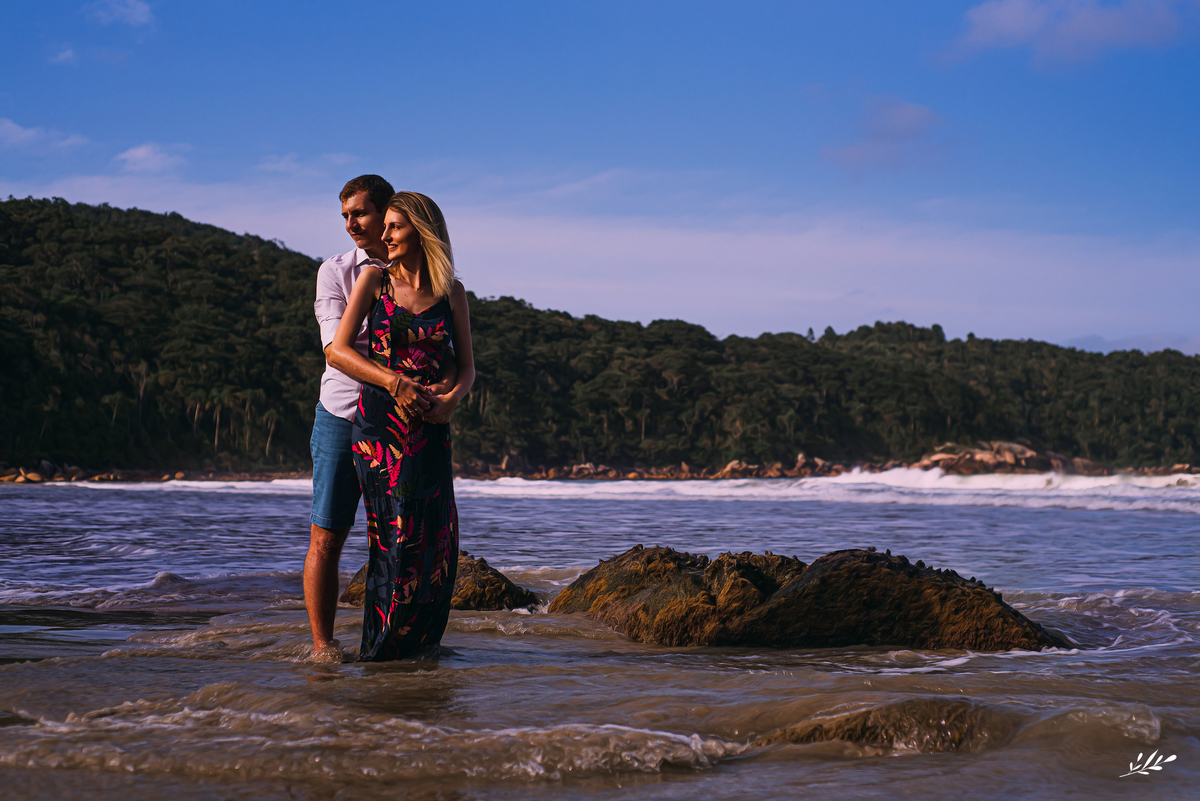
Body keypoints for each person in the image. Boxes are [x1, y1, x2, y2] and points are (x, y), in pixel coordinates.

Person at [305, 176, 457, 661]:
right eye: (345, 216)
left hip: (404, 424)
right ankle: (324, 647)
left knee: (400, 533)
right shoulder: (339, 272)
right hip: (344, 411)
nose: (352, 224)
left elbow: (446, 349)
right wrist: (396, 380)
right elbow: (335, 350)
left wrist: (449, 391)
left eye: (361, 214)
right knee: (328, 534)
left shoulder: (433, 282)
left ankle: (395, 646)